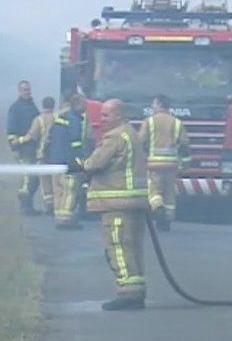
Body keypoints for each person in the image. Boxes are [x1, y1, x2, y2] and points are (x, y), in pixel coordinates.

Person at [70, 99, 149, 310]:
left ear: (119, 115)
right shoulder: (130, 134)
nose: (102, 120)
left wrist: (79, 165)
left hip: (116, 204)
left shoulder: (114, 137)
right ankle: (136, 291)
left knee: (119, 246)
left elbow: (94, 163)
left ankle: (128, 294)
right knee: (133, 247)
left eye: (106, 115)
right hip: (133, 203)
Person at [139, 94, 190, 231]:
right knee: (169, 193)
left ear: (160, 105)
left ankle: (158, 208)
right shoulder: (177, 123)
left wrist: (141, 159)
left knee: (154, 190)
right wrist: (185, 163)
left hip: (154, 165)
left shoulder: (149, 122)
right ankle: (166, 221)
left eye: (154, 104)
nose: (152, 107)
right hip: (171, 165)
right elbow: (184, 146)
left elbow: (141, 142)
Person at [47, 93, 89, 228]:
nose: (86, 107)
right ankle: (66, 219)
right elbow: (76, 142)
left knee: (58, 189)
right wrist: (80, 160)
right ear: (77, 104)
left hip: (55, 159)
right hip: (68, 161)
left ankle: (59, 216)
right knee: (70, 189)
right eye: (84, 104)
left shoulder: (60, 118)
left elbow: (50, 137)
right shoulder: (74, 120)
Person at [15, 96, 57, 215]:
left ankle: (50, 206)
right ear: (53, 105)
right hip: (56, 154)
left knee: (45, 181)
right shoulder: (58, 117)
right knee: (55, 180)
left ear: (43, 105)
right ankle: (56, 204)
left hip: (42, 154)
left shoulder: (39, 120)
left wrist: (19, 140)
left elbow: (31, 136)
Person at [6, 80, 41, 215]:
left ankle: (28, 205)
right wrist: (14, 149)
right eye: (24, 89)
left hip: (32, 147)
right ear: (19, 91)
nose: (27, 91)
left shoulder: (32, 106)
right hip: (22, 147)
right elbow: (11, 129)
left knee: (34, 177)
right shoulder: (15, 108)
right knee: (28, 177)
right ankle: (24, 206)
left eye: (28, 89)